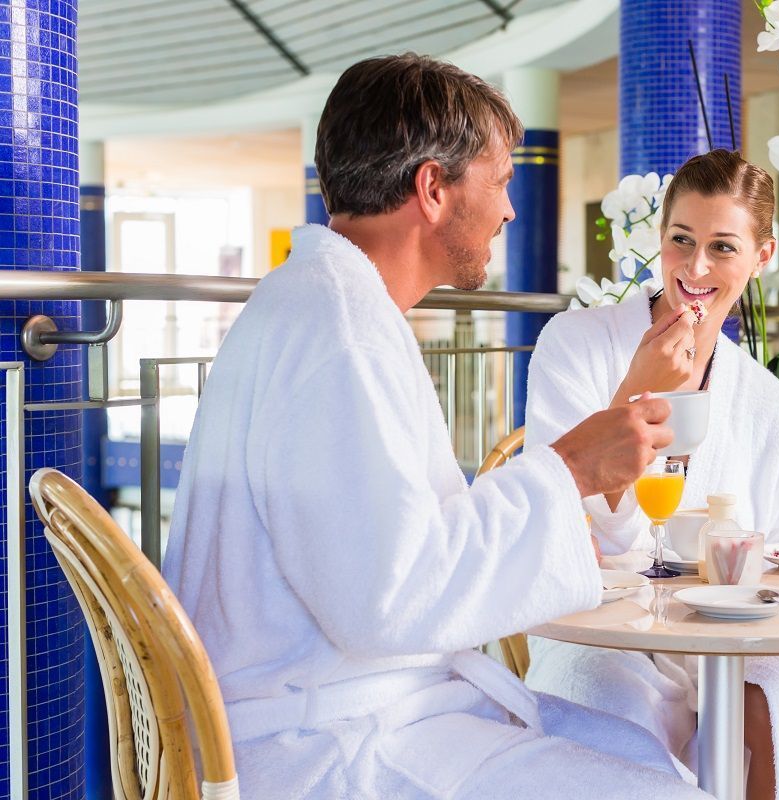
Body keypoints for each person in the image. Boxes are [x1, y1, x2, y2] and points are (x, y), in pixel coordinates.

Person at [162, 53, 710, 799]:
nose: (511, 209)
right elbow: (389, 598)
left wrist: (550, 488)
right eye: (501, 181)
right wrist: (568, 472)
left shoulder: (322, 304)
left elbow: (387, 552)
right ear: (432, 188)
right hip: (325, 743)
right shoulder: (339, 334)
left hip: (345, 703)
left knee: (641, 749)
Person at [524, 149, 779, 800]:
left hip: (723, 632)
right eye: (681, 240)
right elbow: (552, 513)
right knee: (607, 707)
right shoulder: (574, 344)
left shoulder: (770, 404)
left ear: (763, 255)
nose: (696, 267)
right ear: (660, 237)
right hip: (595, 630)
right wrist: (636, 390)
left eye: (722, 247)